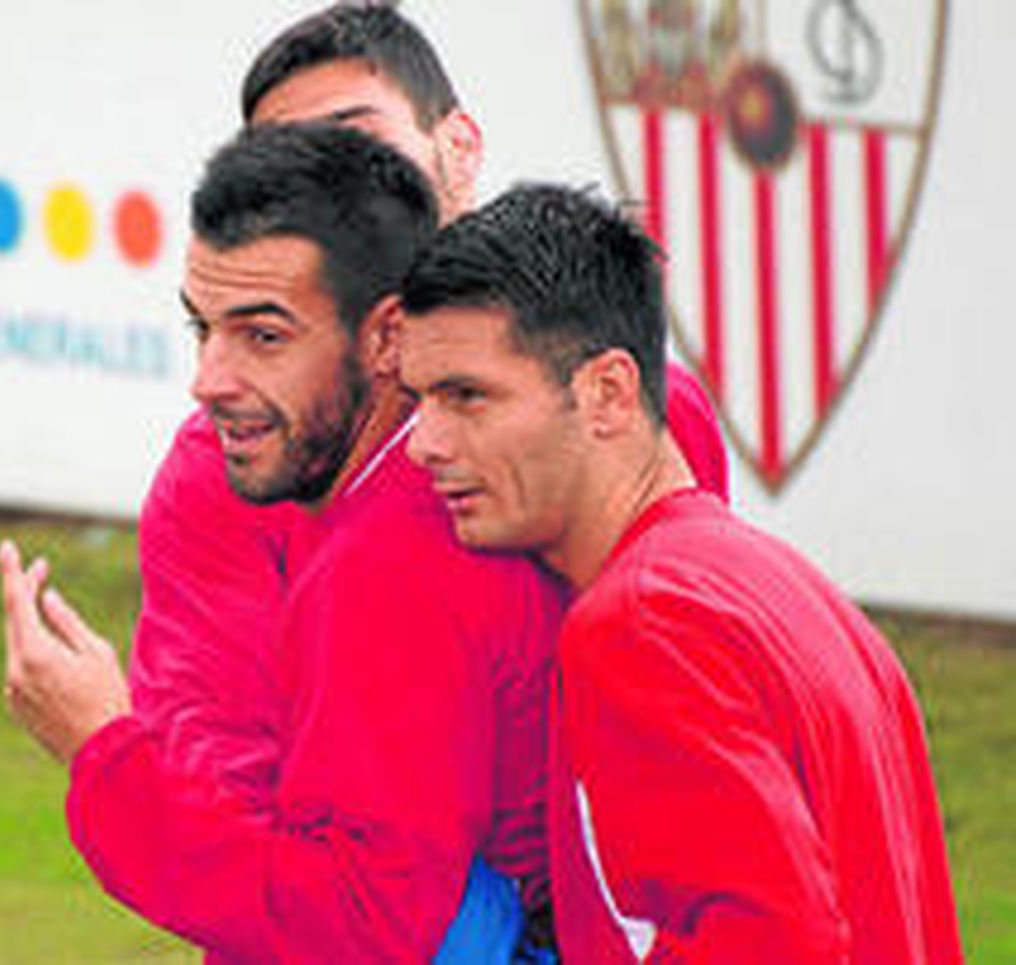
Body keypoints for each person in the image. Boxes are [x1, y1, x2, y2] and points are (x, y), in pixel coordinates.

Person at [131, 0, 728, 829]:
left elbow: (691, 699)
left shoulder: (635, 403)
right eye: (290, 163)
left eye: (356, 141)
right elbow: (220, 790)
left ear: (460, 148)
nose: (330, 188)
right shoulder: (217, 472)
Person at [0, 123, 564, 961]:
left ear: (387, 338)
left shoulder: (394, 552)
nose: (208, 381)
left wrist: (104, 750)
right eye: (203, 329)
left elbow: (367, 922)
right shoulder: (432, 487)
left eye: (263, 336)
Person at [398, 183, 963, 962]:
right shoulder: (797, 591)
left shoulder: (640, 624)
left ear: (608, 392)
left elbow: (772, 945)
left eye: (466, 396)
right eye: (419, 399)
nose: (423, 443)